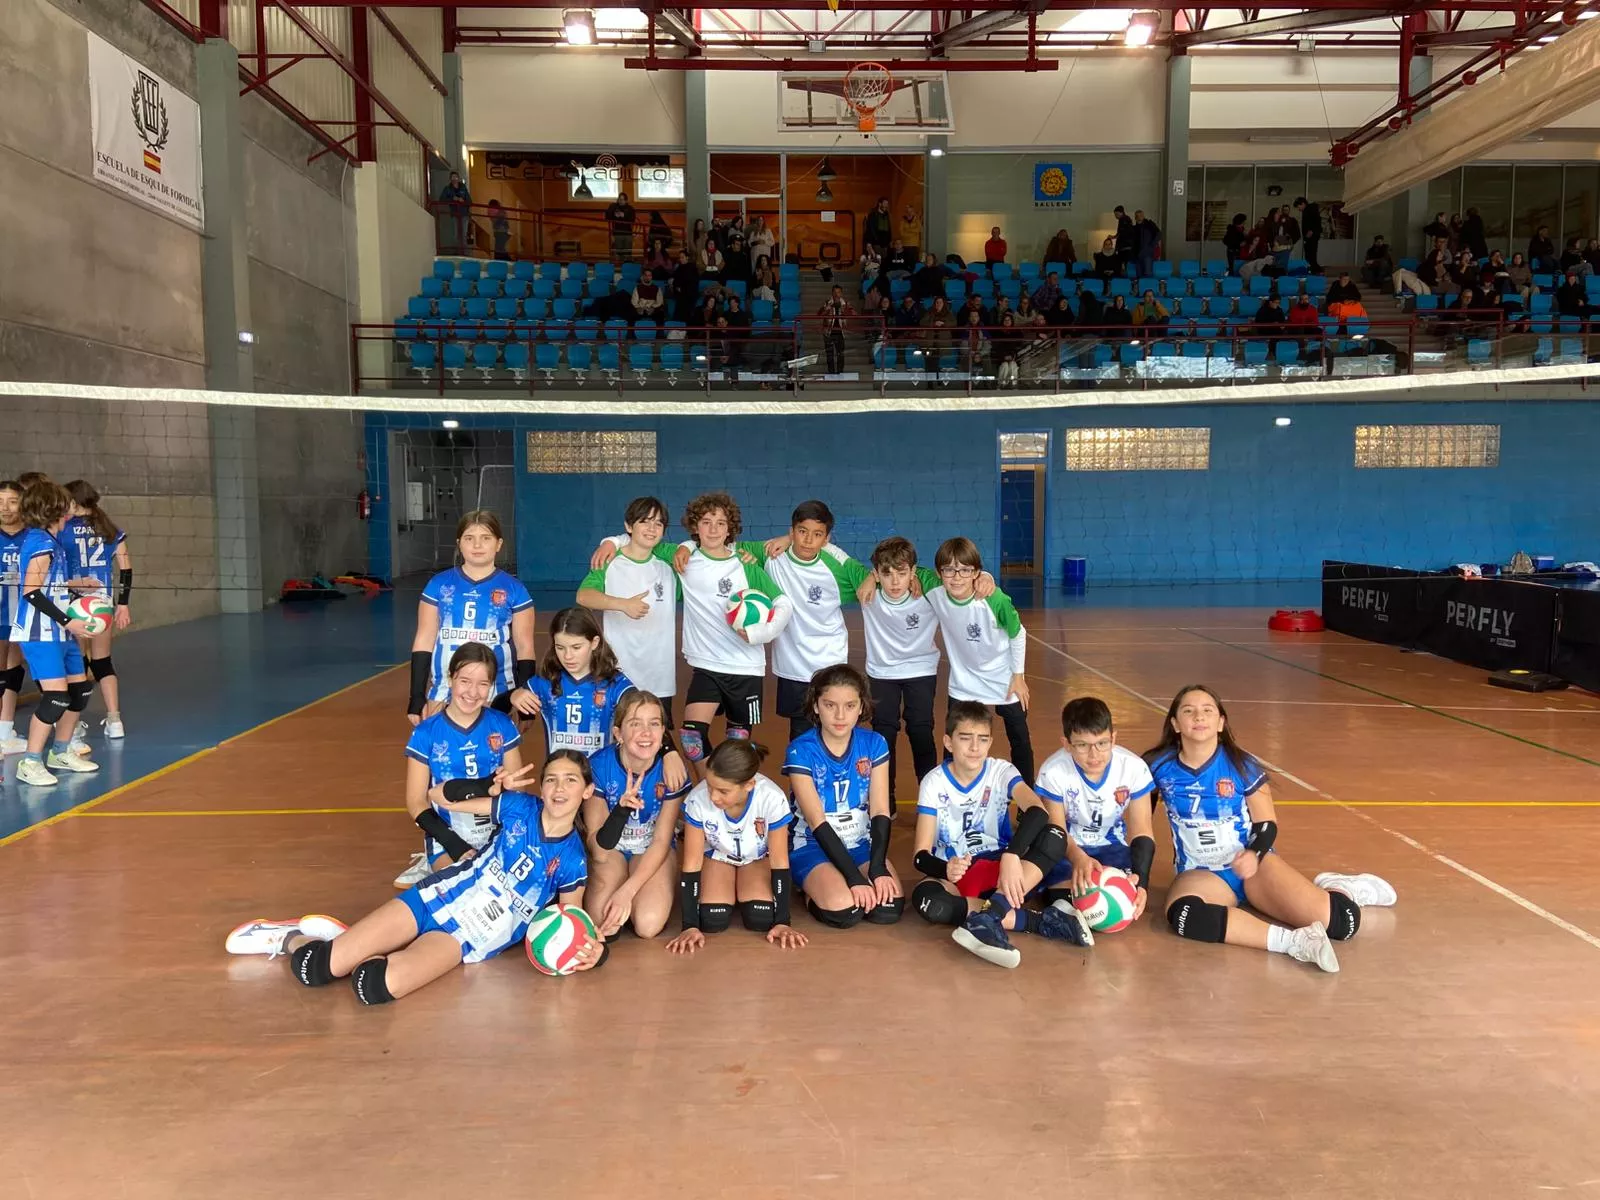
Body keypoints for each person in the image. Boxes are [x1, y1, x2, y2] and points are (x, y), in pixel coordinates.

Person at [226, 751, 600, 1003]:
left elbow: (571, 923)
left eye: (570, 781)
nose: (559, 788)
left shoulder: (572, 861)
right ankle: (290, 936)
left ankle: (353, 940)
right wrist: (489, 785)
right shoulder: (519, 807)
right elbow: (439, 796)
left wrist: (595, 955)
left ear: (586, 791)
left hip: (464, 938)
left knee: (370, 987)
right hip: (432, 899)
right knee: (317, 969)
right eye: (551, 779)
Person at [1147, 684, 1397, 974]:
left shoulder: (1242, 765)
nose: (1199, 717)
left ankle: (1341, 888)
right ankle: (1293, 942)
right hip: (1201, 872)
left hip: (1254, 868)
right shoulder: (1157, 767)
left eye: (1208, 711)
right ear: (1176, 724)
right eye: (1188, 711)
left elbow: (1266, 823)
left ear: (1220, 722)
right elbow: (1140, 821)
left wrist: (1253, 854)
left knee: (1344, 923)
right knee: (1186, 916)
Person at [590, 492, 792, 768]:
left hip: (747, 668)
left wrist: (759, 634)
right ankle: (708, 788)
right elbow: (639, 537)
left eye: (721, 523)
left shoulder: (745, 563)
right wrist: (610, 542)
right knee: (691, 738)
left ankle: (738, 797)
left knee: (739, 745)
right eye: (706, 521)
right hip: (706, 665)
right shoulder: (683, 559)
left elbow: (783, 603)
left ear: (730, 529)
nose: (713, 529)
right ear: (695, 526)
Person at [400, 510, 536, 885]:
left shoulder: (513, 589)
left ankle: (493, 840)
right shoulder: (439, 585)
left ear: (499, 544)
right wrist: (416, 696)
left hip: (499, 690)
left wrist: (523, 691)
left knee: (493, 767)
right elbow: (424, 639)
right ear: (458, 543)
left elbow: (524, 644)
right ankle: (437, 845)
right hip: (448, 690)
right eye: (470, 538)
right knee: (444, 764)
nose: (478, 545)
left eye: (486, 538)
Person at [910, 702, 1091, 968]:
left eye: (982, 739)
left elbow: (1038, 812)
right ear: (948, 742)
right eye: (965, 738)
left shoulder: (1001, 771)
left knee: (1054, 834)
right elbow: (919, 856)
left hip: (1005, 875)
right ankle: (1037, 921)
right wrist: (946, 868)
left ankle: (988, 917)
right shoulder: (934, 782)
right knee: (928, 902)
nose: (974, 747)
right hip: (960, 872)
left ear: (990, 742)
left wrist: (1011, 856)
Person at [782, 664, 903, 929]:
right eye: (829, 705)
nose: (840, 715)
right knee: (846, 911)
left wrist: (877, 867)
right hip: (813, 843)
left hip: (859, 842)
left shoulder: (874, 743)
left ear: (861, 707)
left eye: (850, 705)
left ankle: (839, 879)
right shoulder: (800, 751)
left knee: (888, 909)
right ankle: (811, 891)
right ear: (816, 706)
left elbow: (881, 810)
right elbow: (816, 821)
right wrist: (854, 878)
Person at [666, 740, 806, 955]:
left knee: (761, 917)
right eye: (710, 786)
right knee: (712, 919)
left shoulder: (772, 799)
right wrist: (689, 926)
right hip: (718, 856)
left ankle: (744, 885)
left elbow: (779, 861)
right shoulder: (698, 799)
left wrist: (783, 922)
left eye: (723, 791)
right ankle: (729, 883)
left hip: (756, 859)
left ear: (749, 784)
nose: (713, 797)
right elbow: (692, 862)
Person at [400, 643, 525, 883]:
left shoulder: (502, 725)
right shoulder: (426, 732)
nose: (473, 692)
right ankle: (432, 865)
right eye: (465, 681)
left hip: (497, 833)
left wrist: (510, 787)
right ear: (450, 678)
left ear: (491, 688)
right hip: (448, 837)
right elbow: (415, 801)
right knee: (468, 884)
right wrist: (454, 845)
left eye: (483, 684)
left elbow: (517, 792)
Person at [9, 481, 98, 787]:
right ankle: (30, 762)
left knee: (80, 691)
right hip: (40, 633)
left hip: (61, 632)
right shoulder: (41, 544)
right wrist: (68, 621)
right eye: (67, 503)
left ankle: (60, 752)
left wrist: (77, 584)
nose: (71, 507)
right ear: (55, 509)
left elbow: (49, 585)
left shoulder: (51, 540)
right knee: (57, 698)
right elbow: (31, 592)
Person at [1033, 697, 1156, 918]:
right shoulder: (1053, 771)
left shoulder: (1134, 768)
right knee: (1059, 899)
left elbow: (1142, 830)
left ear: (1113, 738)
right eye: (1082, 745)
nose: (1094, 754)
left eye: (1102, 743)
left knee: (1124, 899)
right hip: (1068, 847)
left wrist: (1142, 881)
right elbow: (1057, 829)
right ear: (1066, 744)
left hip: (1112, 846)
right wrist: (1078, 857)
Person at [583, 690, 690, 940]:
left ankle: (634, 888)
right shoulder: (598, 766)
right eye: (635, 724)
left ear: (664, 732)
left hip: (650, 847)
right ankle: (619, 879)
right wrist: (621, 811)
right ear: (618, 733)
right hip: (611, 850)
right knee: (601, 921)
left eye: (654, 724)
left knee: (647, 925)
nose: (646, 733)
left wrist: (627, 892)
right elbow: (598, 849)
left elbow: (662, 840)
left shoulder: (671, 770)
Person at [577, 496, 679, 721]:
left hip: (660, 677)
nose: (652, 529)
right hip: (619, 672)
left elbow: (696, 550)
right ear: (629, 526)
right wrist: (623, 605)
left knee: (654, 738)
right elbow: (584, 595)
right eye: (645, 521)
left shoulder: (670, 566)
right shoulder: (609, 560)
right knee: (617, 735)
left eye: (658, 523)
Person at [856, 537, 939, 808]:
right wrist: (869, 577)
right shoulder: (867, 591)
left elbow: (961, 575)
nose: (894, 581)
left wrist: (984, 575)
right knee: (883, 734)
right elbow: (835, 560)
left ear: (913, 573)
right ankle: (884, 800)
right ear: (877, 573)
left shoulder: (929, 589)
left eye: (902, 574)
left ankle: (931, 799)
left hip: (921, 669)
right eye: (887, 574)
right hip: (882, 673)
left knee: (921, 731)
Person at [62, 479, 132, 744]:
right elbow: (126, 570)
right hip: (102, 603)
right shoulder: (111, 529)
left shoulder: (62, 528)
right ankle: (115, 720)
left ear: (74, 502)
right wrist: (123, 604)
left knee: (77, 663)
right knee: (102, 662)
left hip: (72, 602)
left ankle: (76, 723)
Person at [0, 480, 27, 755]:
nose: (5, 508)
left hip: (22, 615)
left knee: (12, 671)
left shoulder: (33, 536)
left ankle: (5, 730)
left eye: (11, 501)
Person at [817, 285, 855, 374]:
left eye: (838, 292)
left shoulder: (845, 303)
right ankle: (831, 373)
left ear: (841, 293)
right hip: (828, 332)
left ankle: (840, 373)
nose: (836, 294)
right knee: (829, 355)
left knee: (840, 355)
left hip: (841, 332)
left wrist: (844, 311)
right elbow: (819, 314)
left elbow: (853, 314)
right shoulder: (827, 302)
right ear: (832, 293)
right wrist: (826, 309)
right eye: (834, 292)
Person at [438, 171, 471, 253]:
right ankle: (458, 252)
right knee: (456, 235)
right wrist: (453, 199)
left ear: (458, 178)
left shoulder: (463, 188)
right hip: (455, 214)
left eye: (456, 177)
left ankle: (464, 253)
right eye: (453, 177)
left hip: (464, 214)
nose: (454, 179)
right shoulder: (448, 189)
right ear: (450, 179)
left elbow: (470, 201)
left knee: (463, 234)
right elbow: (441, 199)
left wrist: (463, 201)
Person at [605, 191, 637, 260]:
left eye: (622, 199)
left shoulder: (630, 209)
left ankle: (627, 268)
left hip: (627, 233)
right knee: (618, 253)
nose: (620, 201)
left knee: (627, 253)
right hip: (617, 233)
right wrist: (614, 213)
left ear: (626, 200)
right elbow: (607, 217)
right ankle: (619, 267)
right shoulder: (614, 207)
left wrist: (624, 215)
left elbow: (632, 219)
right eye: (619, 199)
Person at [1294, 196, 1321, 272]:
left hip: (1311, 236)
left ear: (1303, 204)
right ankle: (1315, 269)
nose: (1298, 209)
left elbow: (1317, 221)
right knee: (1309, 256)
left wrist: (1312, 231)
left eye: (1298, 206)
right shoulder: (1306, 211)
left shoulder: (1311, 209)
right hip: (1308, 237)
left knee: (1311, 255)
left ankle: (1316, 270)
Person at [1133, 209, 1161, 276]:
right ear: (1135, 217)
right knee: (1139, 275)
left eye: (1141, 216)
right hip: (1137, 255)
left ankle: (1148, 286)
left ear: (1143, 216)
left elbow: (1159, 234)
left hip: (1147, 254)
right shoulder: (1134, 228)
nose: (1139, 217)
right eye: (1138, 216)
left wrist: (1151, 245)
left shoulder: (1149, 224)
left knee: (1147, 274)